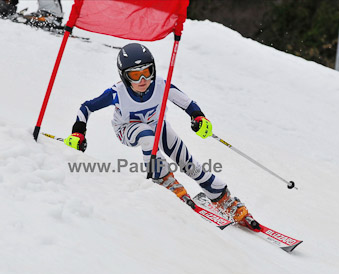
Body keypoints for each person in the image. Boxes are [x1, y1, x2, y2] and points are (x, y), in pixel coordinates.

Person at [63, 43, 260, 230]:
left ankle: (222, 198)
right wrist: (78, 132)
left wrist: (199, 118)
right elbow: (86, 106)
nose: (142, 80)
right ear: (124, 76)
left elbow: (188, 104)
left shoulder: (161, 86)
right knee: (147, 135)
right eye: (135, 75)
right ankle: (162, 178)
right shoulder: (117, 92)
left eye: (146, 72)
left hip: (158, 126)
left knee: (188, 163)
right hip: (127, 129)